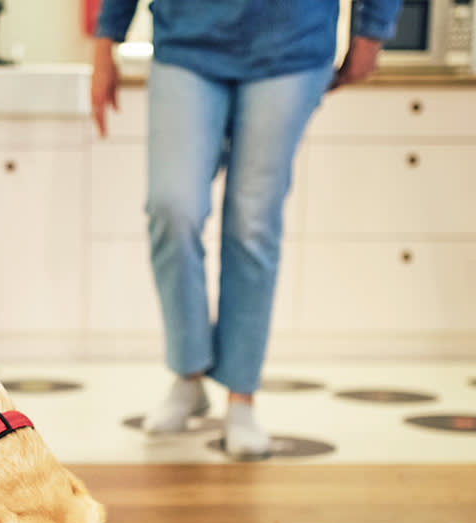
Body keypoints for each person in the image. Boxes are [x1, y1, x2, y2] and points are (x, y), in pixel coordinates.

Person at [91, 0, 402, 459]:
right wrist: (105, 45)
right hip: (186, 41)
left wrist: (371, 30)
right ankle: (188, 372)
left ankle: (241, 395)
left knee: (253, 221)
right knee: (171, 207)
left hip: (291, 44)